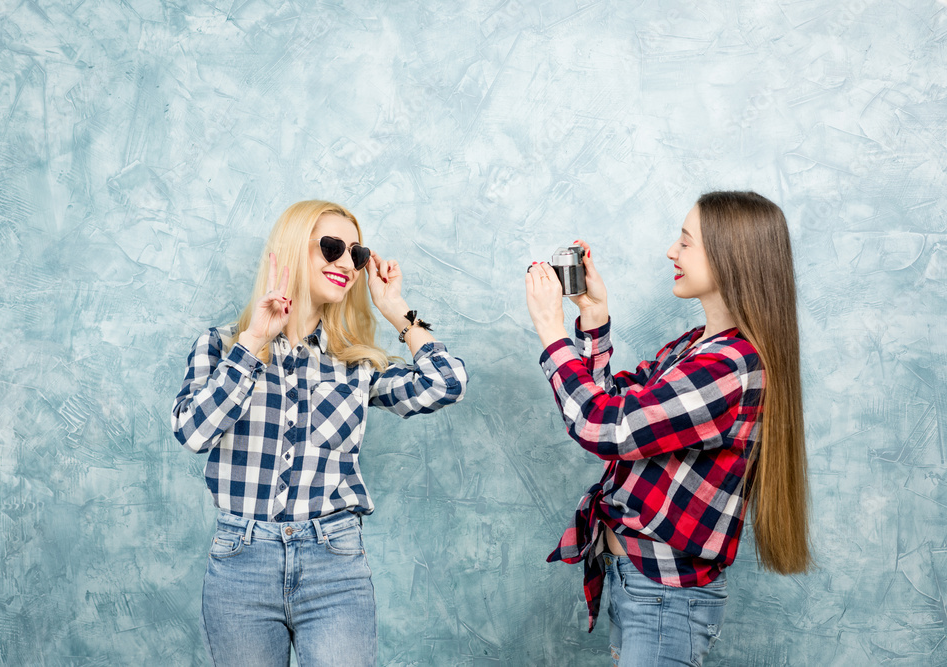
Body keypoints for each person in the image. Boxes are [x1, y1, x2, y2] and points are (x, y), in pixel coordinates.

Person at [171, 200, 467, 666]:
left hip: (335, 562)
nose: (347, 263)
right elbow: (192, 432)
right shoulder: (223, 345)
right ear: (291, 250)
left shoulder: (356, 363)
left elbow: (445, 383)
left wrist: (397, 311)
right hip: (240, 563)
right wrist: (253, 344)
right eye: (331, 247)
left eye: (357, 253)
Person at [525, 191, 810, 666]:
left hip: (665, 600)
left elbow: (602, 426)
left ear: (730, 257)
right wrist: (593, 316)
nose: (671, 252)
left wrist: (552, 332)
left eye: (685, 241)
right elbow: (615, 409)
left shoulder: (730, 368)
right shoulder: (697, 347)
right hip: (640, 583)